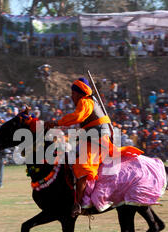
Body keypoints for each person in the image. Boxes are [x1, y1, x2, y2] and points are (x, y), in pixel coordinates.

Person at [46, 77, 142, 217]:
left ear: (79, 93)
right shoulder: (90, 101)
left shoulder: (85, 101)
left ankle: (78, 204)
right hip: (91, 139)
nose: (72, 97)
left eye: (73, 93)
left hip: (98, 141)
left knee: (81, 165)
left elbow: (77, 117)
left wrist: (56, 122)